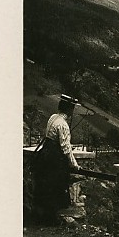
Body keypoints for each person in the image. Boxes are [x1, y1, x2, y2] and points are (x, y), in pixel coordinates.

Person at [30, 94, 80, 225]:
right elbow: (65, 148)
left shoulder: (53, 118)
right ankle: (52, 219)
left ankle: (42, 216)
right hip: (54, 159)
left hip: (45, 154)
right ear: (70, 110)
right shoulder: (63, 125)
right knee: (55, 185)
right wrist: (74, 164)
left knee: (44, 186)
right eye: (72, 109)